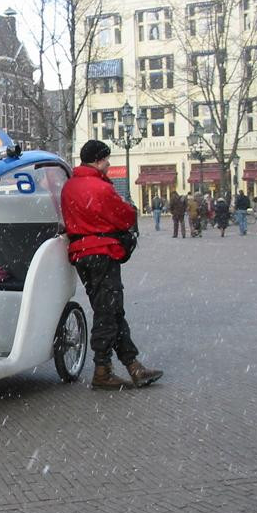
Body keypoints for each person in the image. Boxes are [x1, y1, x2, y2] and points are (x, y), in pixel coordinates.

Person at [61, 140, 163, 390]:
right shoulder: (100, 187)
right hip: (102, 252)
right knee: (108, 311)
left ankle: (133, 366)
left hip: (81, 254)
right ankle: (102, 369)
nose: (109, 163)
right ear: (98, 160)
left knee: (111, 309)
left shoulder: (69, 187)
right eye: (106, 159)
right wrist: (130, 211)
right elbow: (124, 216)